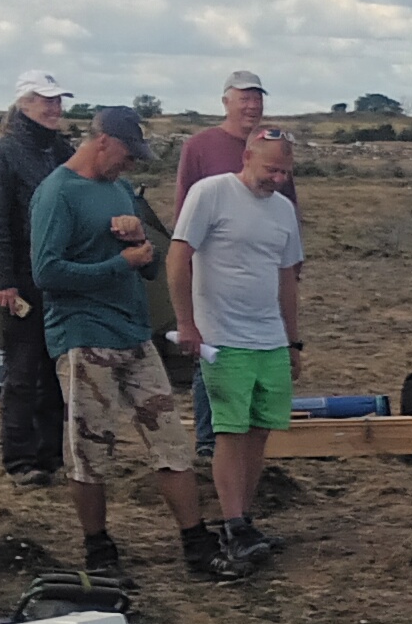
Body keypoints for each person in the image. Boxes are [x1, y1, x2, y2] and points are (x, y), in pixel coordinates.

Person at [34, 104, 241, 580]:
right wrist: (119, 265)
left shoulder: (121, 190)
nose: (130, 165)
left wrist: (140, 249)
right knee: (90, 450)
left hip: (133, 333)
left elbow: (146, 264)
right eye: (127, 154)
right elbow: (46, 273)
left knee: (171, 440)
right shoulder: (57, 195)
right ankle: (98, 549)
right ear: (102, 141)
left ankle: (195, 541)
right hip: (84, 337)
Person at [169, 122, 304, 568]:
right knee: (230, 428)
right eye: (271, 170)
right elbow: (179, 257)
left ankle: (243, 519)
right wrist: (187, 323)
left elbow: (287, 277)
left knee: (259, 429)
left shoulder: (283, 210)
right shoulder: (210, 194)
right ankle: (231, 523)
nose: (277, 179)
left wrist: (292, 340)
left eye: (284, 172)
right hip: (223, 336)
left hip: (269, 337)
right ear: (246, 157)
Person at [0, 71, 78, 486]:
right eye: (45, 100)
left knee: (58, 367)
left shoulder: (63, 149)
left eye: (57, 101)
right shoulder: (4, 154)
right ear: (23, 104)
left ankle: (51, 454)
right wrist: (5, 280)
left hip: (61, 274)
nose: (53, 107)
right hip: (22, 274)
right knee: (22, 372)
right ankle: (20, 459)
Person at [170, 69, 271, 204]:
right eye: (245, 100)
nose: (253, 106)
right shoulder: (197, 147)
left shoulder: (271, 146)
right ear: (225, 102)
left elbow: (289, 202)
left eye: (258, 100)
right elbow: (184, 204)